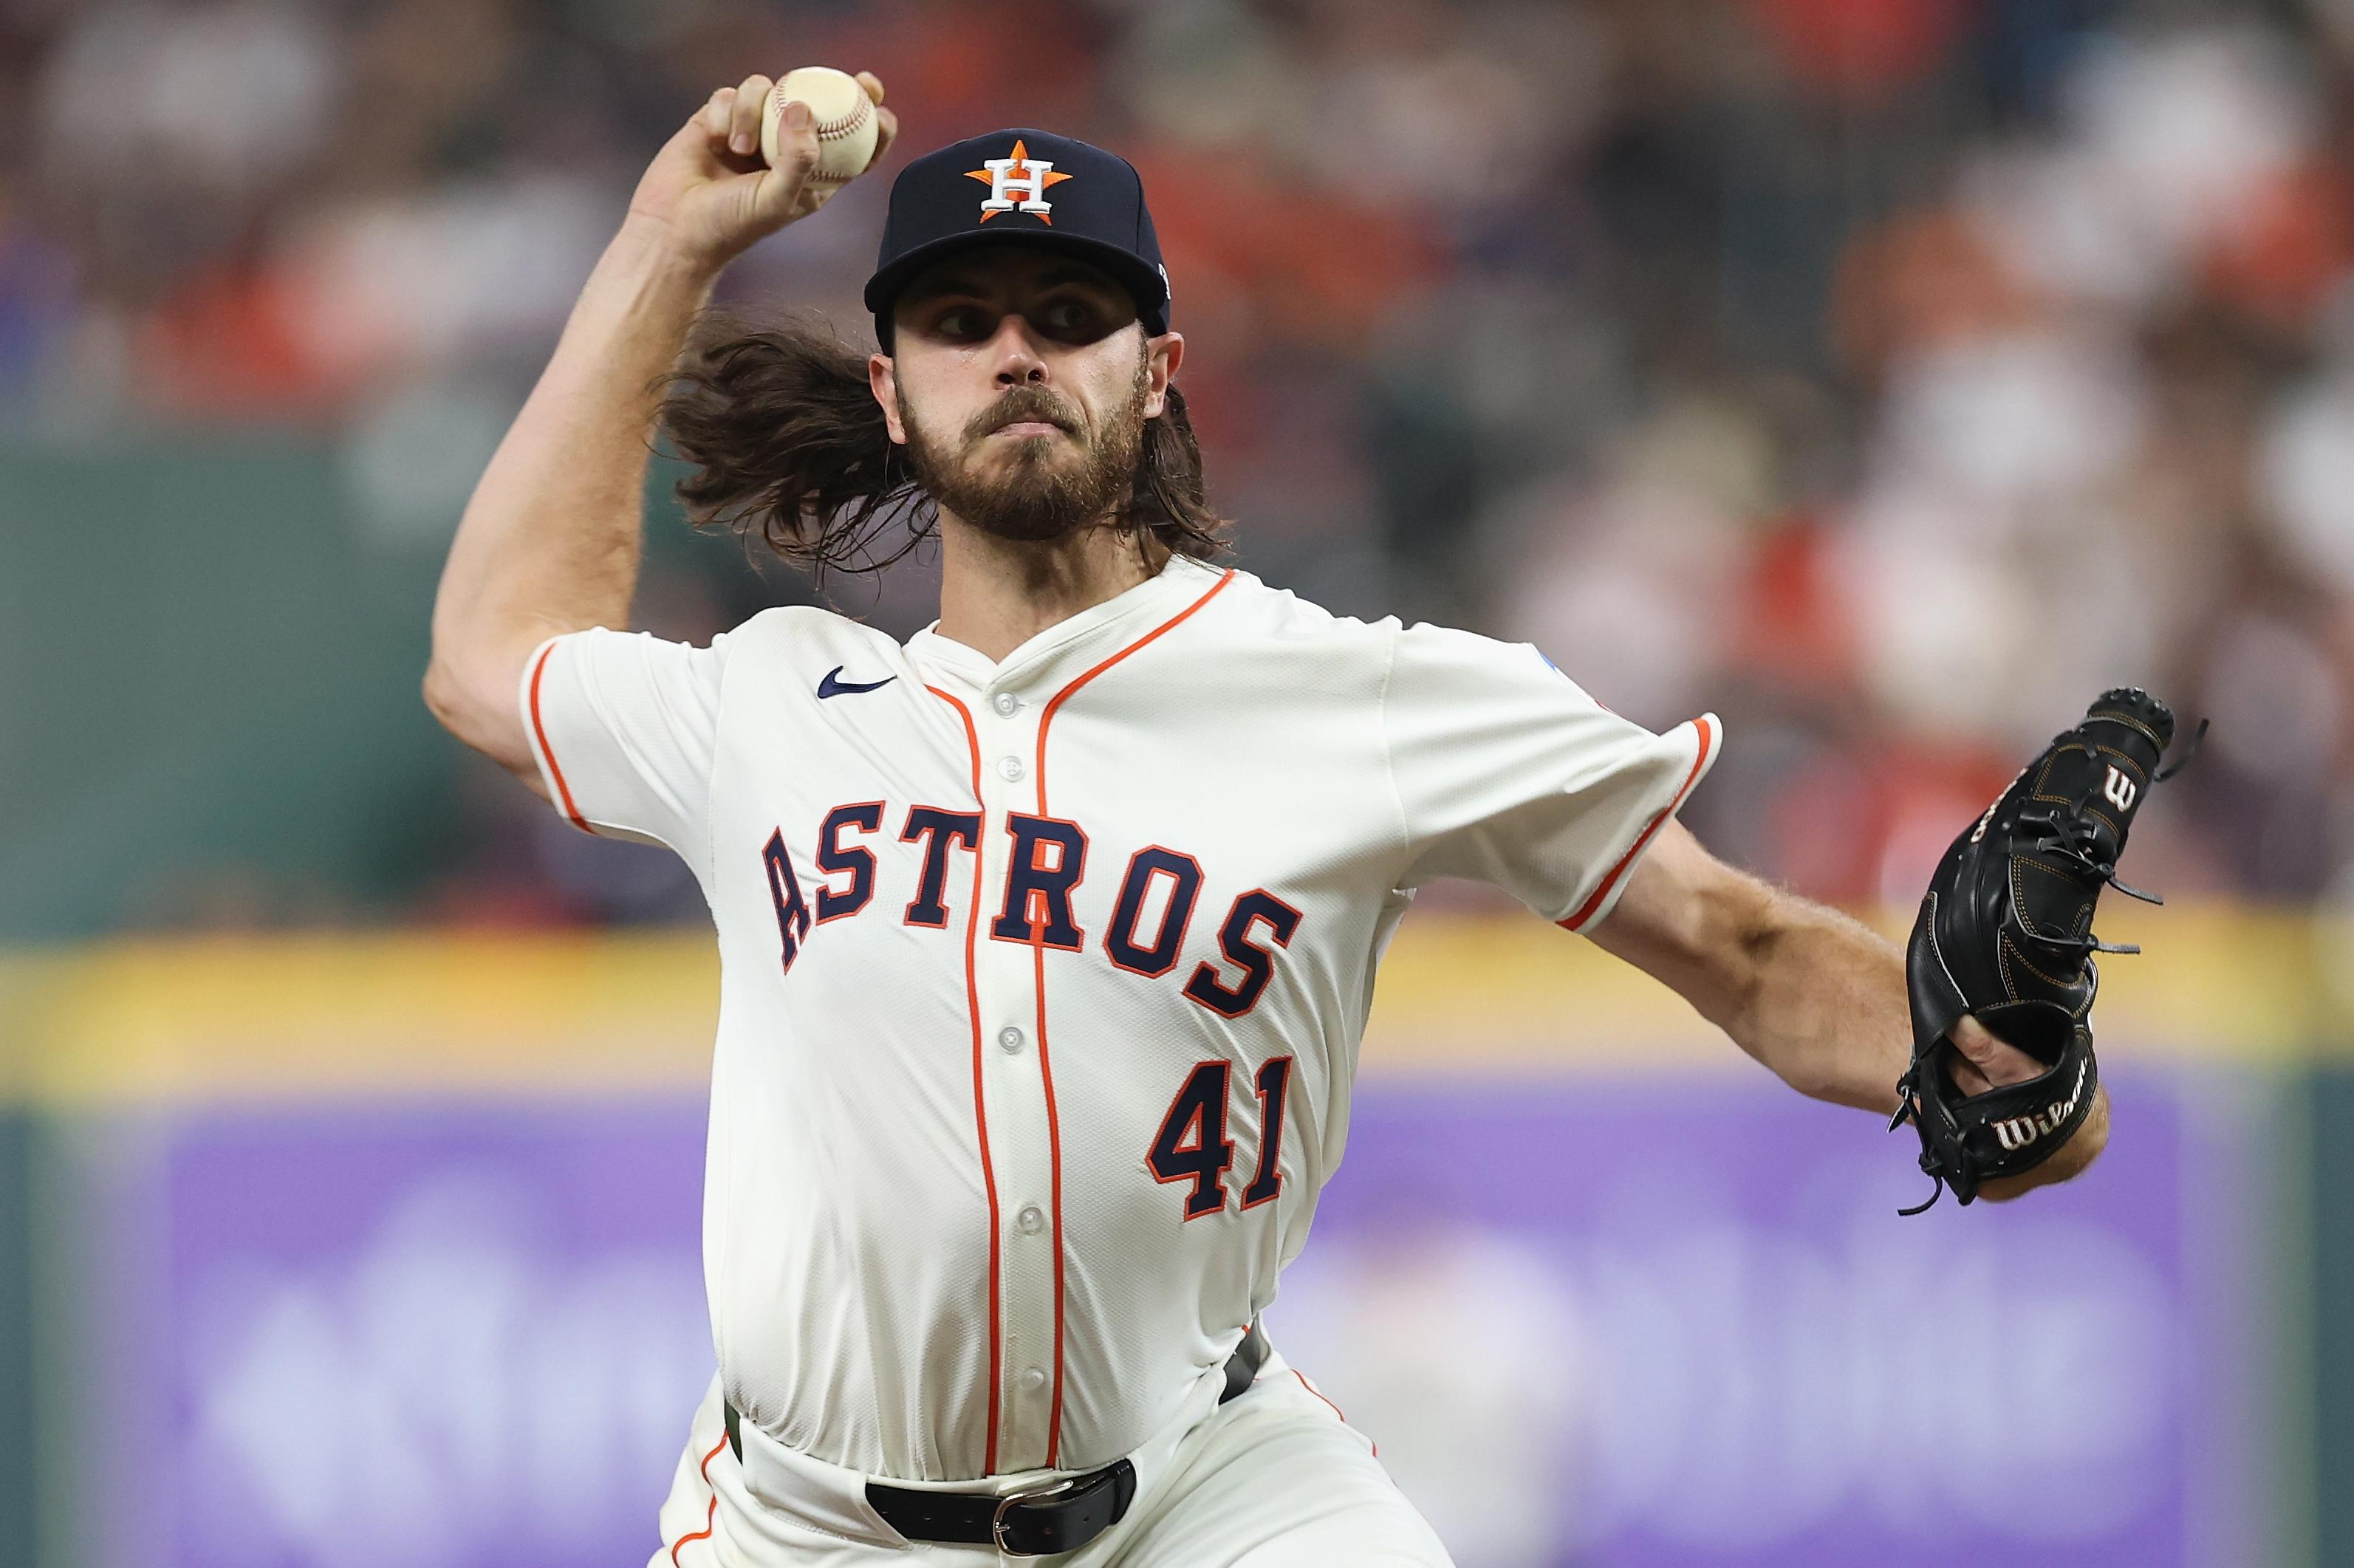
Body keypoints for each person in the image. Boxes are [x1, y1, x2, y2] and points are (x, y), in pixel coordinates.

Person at [424, 72, 2108, 1567]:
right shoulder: (773, 705)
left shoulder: (1354, 697)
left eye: (1068, 312)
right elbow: (489, 660)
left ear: (1156, 371)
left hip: (1207, 1494)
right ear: (890, 388)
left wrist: (1989, 1059)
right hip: (805, 1531)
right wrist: (665, 246)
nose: (1015, 352)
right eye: (959, 319)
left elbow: (1738, 943)